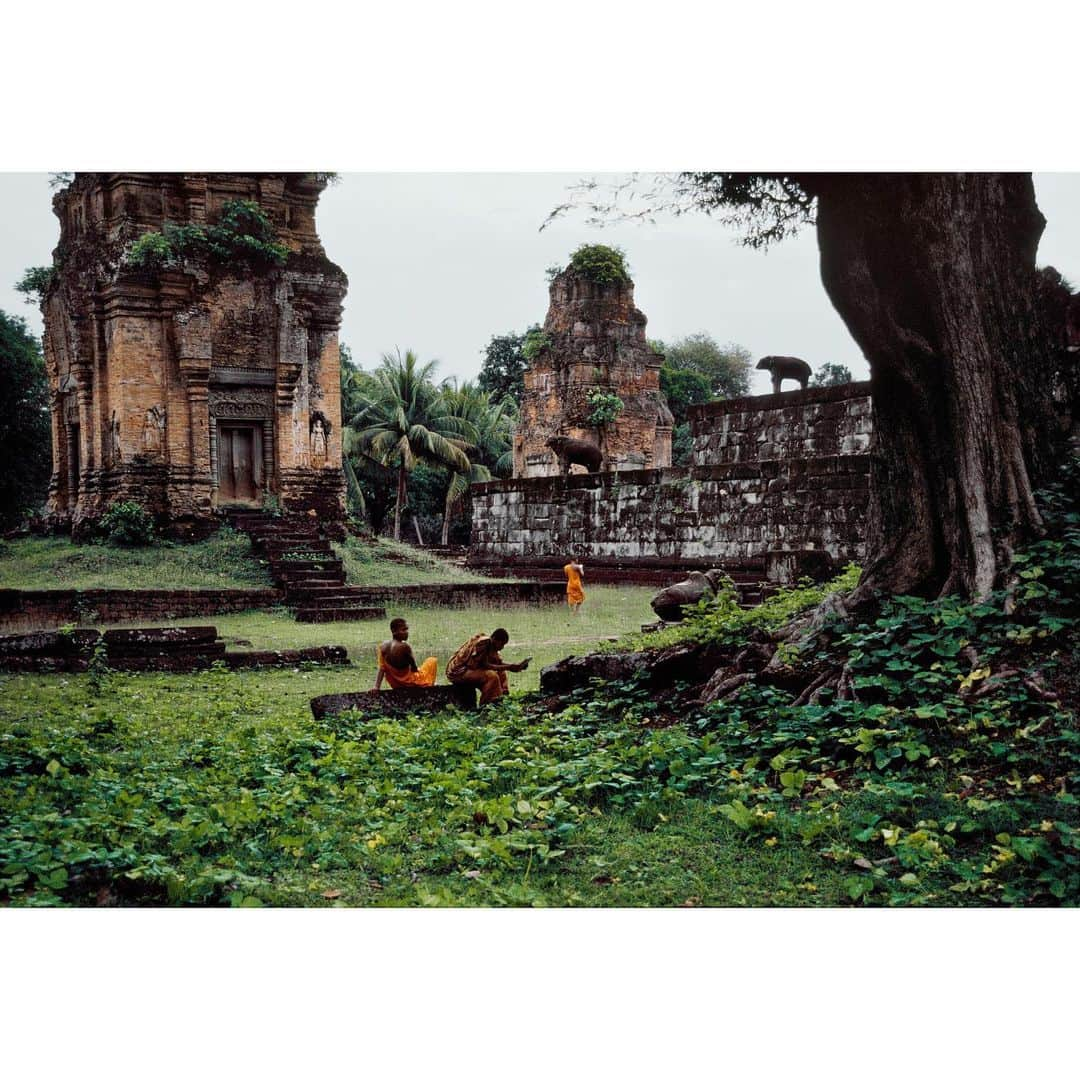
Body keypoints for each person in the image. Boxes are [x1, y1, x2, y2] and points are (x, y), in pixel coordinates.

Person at [445, 627, 531, 705]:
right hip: (458, 672)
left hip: (470, 670)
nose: (502, 647)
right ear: (494, 639)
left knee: (501, 673)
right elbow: (484, 665)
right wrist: (509, 667)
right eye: (501, 644)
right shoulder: (483, 643)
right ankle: (486, 706)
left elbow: (498, 664)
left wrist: (516, 667)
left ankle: (502, 700)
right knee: (491, 676)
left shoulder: (491, 647)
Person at [373, 617, 438, 690]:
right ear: (394, 631)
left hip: (395, 683)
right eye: (403, 630)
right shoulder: (405, 647)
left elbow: (382, 668)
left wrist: (376, 687)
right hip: (409, 683)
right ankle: (429, 683)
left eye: (407, 629)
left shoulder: (382, 646)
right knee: (432, 660)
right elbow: (414, 668)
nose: (407, 632)